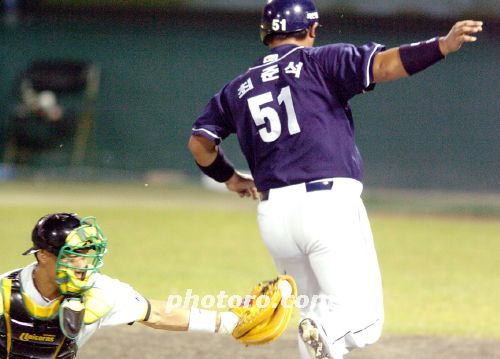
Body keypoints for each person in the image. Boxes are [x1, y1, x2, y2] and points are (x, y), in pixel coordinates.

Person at [187, 1, 483, 358]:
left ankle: (324, 329)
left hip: (273, 216)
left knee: (317, 316)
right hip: (326, 206)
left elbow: (200, 144)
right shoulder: (319, 62)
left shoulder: (235, 89)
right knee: (362, 321)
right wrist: (442, 45)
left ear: (265, 34)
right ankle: (327, 328)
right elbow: (385, 65)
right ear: (311, 30)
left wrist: (231, 178)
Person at [0, 213, 243, 358]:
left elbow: (155, 313)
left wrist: (228, 323)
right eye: (74, 254)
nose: (83, 263)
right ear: (43, 256)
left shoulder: (100, 292)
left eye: (88, 254)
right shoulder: (5, 291)